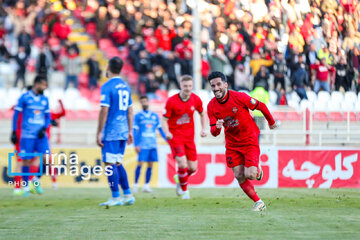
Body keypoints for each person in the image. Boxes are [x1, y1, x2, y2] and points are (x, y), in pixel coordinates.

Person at [207, 71, 278, 211]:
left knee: (250, 174)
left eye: (218, 84)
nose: (216, 88)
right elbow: (214, 132)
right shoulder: (211, 106)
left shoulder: (239, 97)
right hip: (232, 144)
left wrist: (271, 122)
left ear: (226, 84)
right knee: (239, 175)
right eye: (212, 86)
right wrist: (218, 128)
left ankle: (257, 169)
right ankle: (259, 202)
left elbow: (261, 106)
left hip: (249, 139)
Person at [96, 57, 135, 206]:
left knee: (109, 163)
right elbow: (130, 110)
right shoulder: (126, 86)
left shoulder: (107, 86)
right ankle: (128, 194)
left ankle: (115, 197)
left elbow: (104, 110)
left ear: (108, 67)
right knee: (118, 162)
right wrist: (130, 130)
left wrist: (99, 132)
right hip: (123, 130)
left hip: (111, 131)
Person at [161, 75, 207, 200]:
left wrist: (204, 129)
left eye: (190, 86)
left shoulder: (196, 99)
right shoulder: (172, 101)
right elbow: (164, 120)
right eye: (185, 86)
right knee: (182, 163)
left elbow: (203, 113)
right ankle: (185, 191)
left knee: (192, 168)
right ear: (180, 86)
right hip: (175, 137)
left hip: (189, 138)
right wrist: (167, 132)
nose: (188, 88)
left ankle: (180, 179)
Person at [11, 75, 50, 197]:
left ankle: (35, 179)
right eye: (43, 85)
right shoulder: (25, 97)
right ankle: (26, 186)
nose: (45, 87)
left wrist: (44, 128)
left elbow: (48, 117)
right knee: (26, 161)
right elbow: (16, 115)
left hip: (40, 135)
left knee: (46, 158)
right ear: (37, 84)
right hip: (27, 135)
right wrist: (13, 131)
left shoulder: (45, 99)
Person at [133, 96, 167, 193]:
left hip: (152, 144)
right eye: (142, 101)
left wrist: (167, 140)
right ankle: (135, 184)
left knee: (150, 165)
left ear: (148, 102)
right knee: (140, 163)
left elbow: (160, 129)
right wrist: (136, 144)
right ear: (140, 103)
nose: (144, 103)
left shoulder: (155, 116)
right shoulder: (138, 116)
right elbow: (134, 131)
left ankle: (146, 185)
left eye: (145, 101)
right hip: (142, 144)